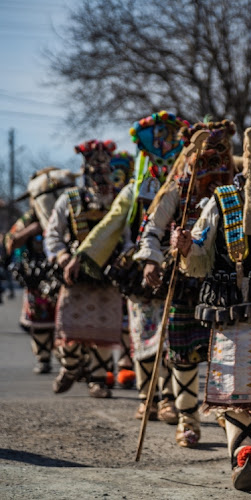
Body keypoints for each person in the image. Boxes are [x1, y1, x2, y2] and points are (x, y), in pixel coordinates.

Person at [173, 125, 251, 491]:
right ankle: (244, 456)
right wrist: (184, 246)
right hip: (230, 307)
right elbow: (199, 253)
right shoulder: (223, 199)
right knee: (233, 387)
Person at [65, 111, 189, 422]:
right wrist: (81, 256)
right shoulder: (134, 191)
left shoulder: (186, 190)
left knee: (171, 338)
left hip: (178, 272)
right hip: (139, 275)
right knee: (143, 336)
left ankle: (169, 400)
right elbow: (109, 226)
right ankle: (148, 397)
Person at [134, 119, 236, 446]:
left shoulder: (238, 191)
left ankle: (223, 409)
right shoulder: (177, 188)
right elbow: (150, 229)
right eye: (205, 158)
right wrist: (152, 259)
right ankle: (187, 418)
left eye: (220, 158)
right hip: (184, 280)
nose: (212, 167)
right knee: (183, 352)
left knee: (225, 351)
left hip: (226, 283)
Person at [44, 140, 122, 398]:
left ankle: (98, 380)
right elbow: (53, 234)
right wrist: (63, 256)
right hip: (74, 273)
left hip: (109, 275)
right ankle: (70, 366)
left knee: (103, 328)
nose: (100, 172)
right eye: (94, 166)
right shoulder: (71, 198)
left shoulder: (120, 198)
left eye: (104, 166)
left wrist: (126, 259)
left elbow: (130, 234)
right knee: (69, 325)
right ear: (84, 168)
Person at [5, 167, 77, 374]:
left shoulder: (70, 214)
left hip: (63, 273)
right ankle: (43, 358)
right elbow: (10, 242)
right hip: (36, 276)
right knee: (39, 321)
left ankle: (69, 361)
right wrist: (33, 229)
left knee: (65, 319)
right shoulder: (29, 218)